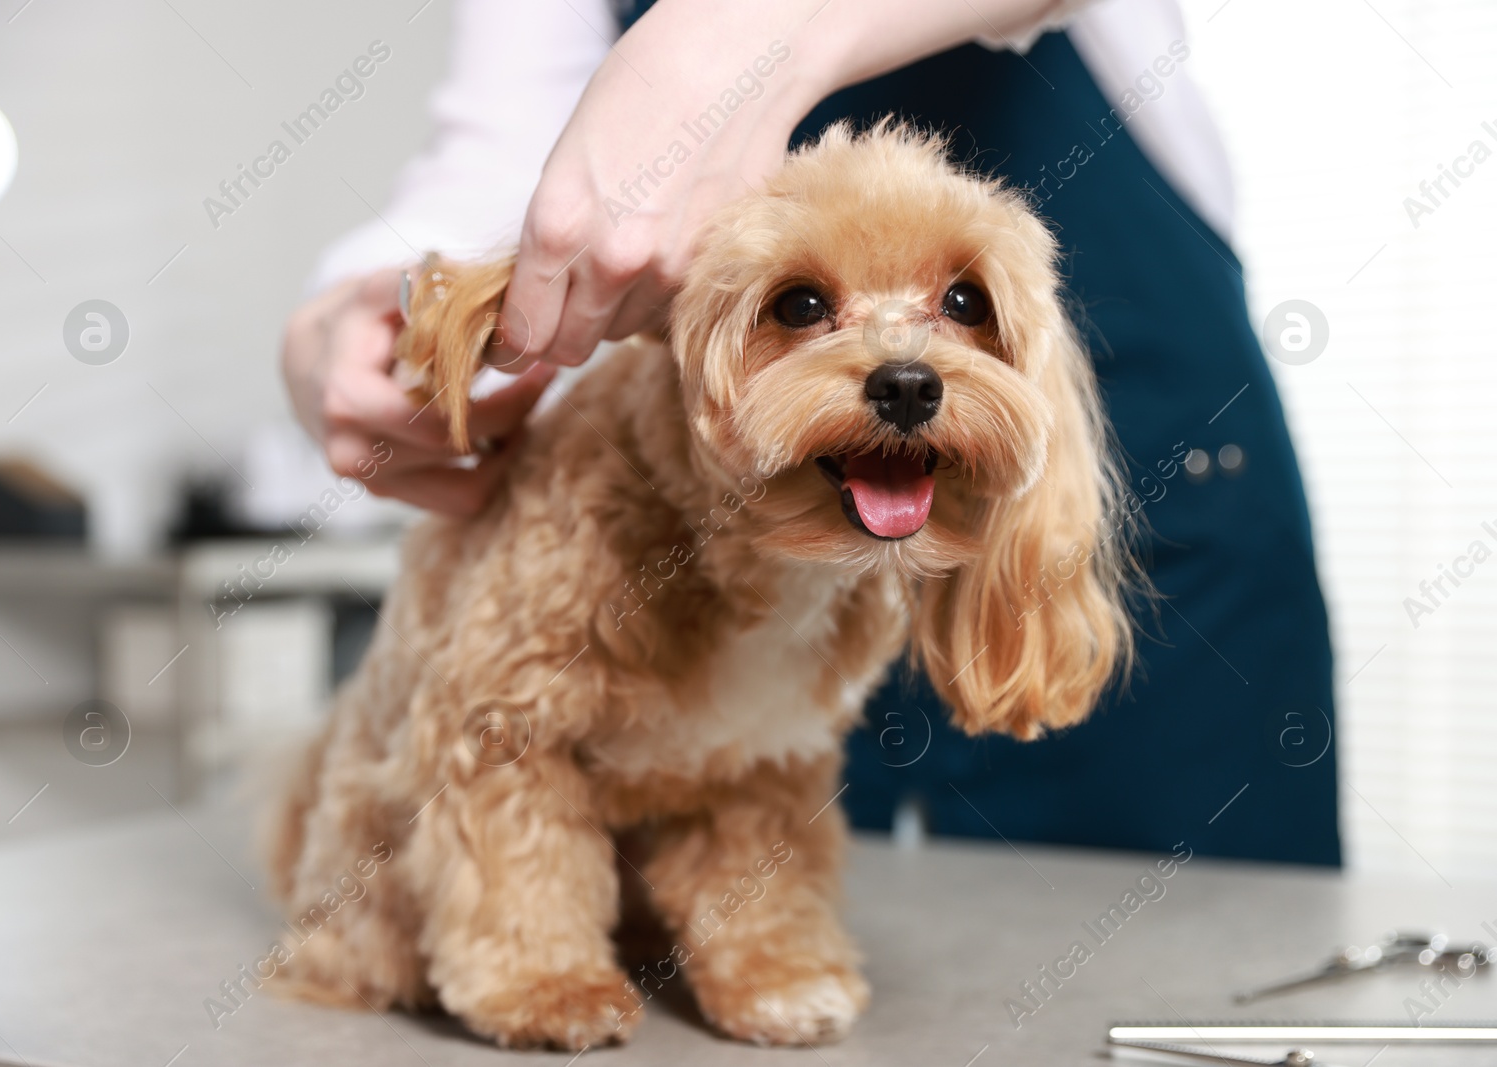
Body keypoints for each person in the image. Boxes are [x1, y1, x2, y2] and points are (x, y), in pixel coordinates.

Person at [281, 0, 1340, 866]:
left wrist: (734, 35)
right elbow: (507, 157)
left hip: (1158, 446)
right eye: (800, 305)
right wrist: (349, 313)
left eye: (961, 304)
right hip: (740, 539)